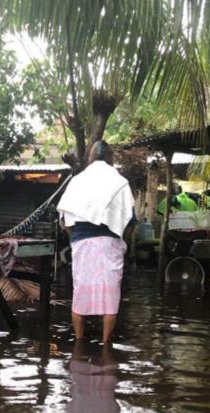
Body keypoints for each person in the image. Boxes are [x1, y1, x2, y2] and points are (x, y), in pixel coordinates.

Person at [57, 140, 136, 344]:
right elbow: (130, 222)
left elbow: (65, 221)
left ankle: (79, 342)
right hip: (111, 243)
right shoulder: (120, 183)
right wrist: (123, 245)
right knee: (110, 298)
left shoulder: (77, 181)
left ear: (90, 158)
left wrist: (75, 238)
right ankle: (106, 347)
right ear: (111, 158)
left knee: (80, 293)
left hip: (81, 242)